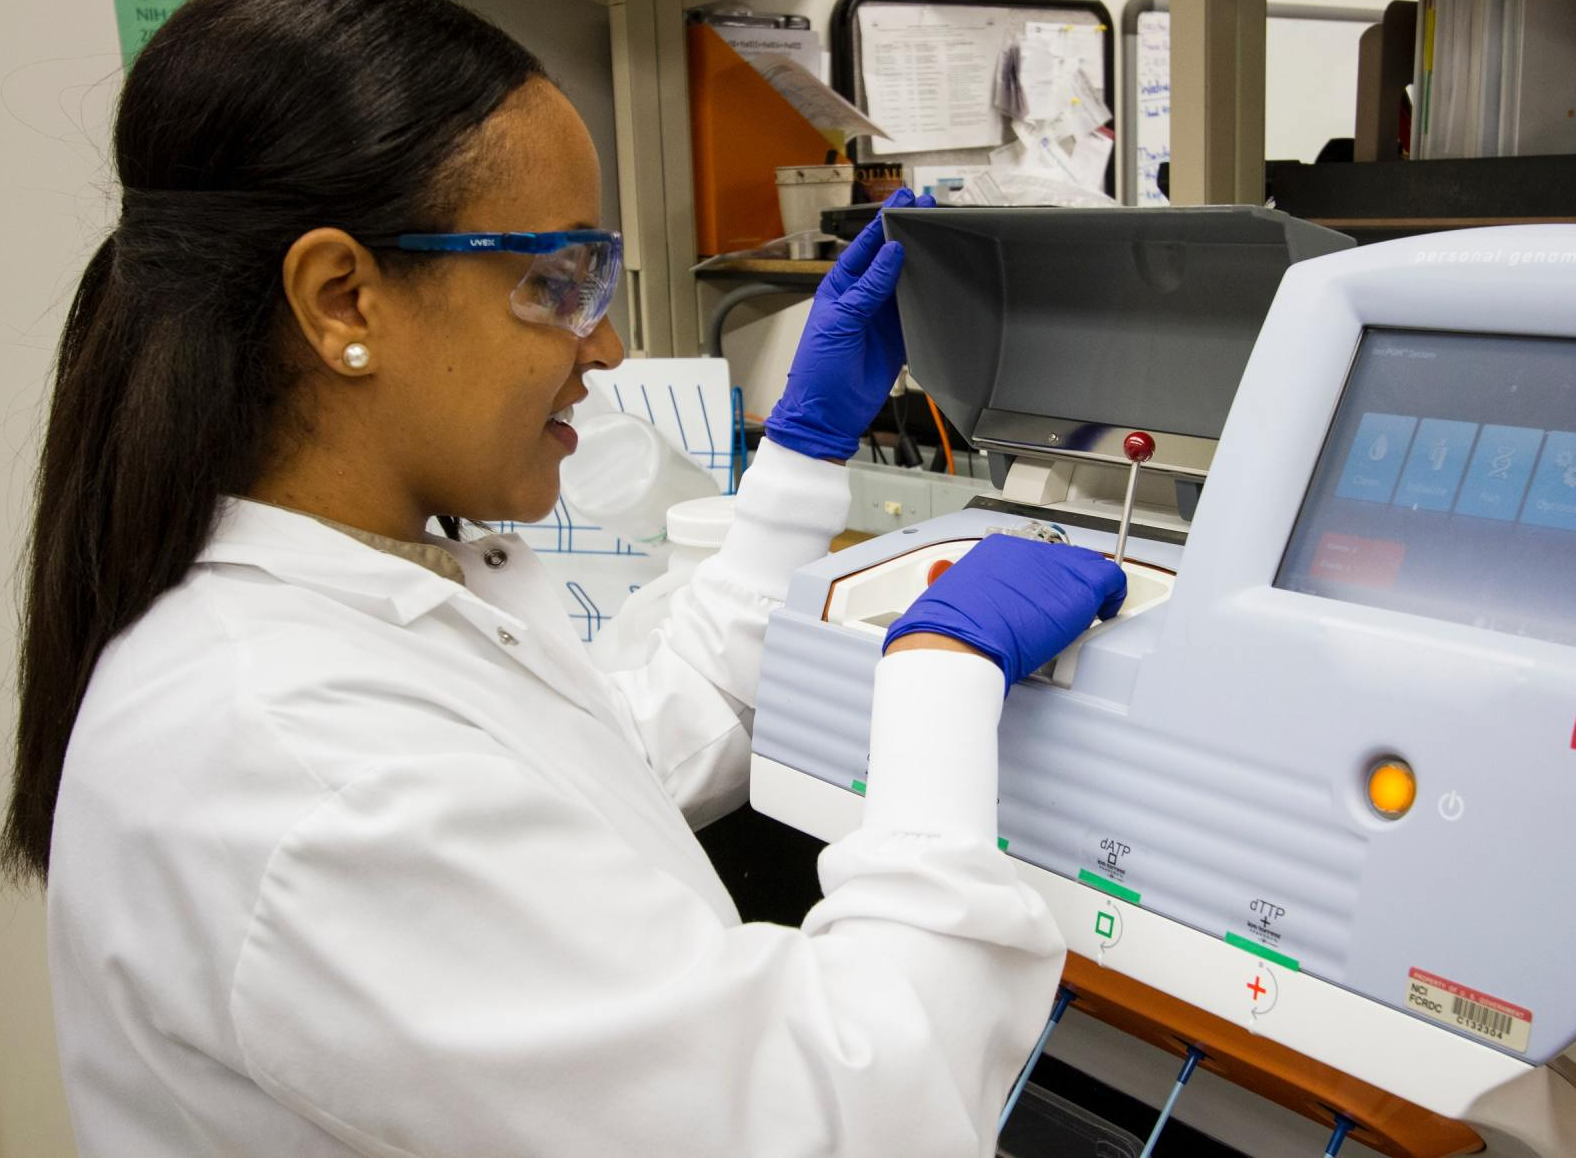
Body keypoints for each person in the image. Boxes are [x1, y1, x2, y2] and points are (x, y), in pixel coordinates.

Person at [0, 1, 1127, 1155]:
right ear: (342, 300)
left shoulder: (339, 610)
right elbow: (847, 1111)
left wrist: (798, 459)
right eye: (558, 278)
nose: (606, 346)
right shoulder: (295, 765)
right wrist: (940, 684)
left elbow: (617, 758)